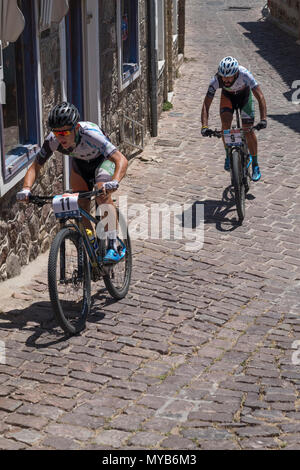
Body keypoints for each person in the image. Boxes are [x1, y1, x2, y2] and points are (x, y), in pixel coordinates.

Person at [16, 102, 128, 263]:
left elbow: (121, 159)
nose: (60, 137)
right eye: (56, 132)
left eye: (65, 132)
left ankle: (113, 244)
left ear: (75, 128)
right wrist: (26, 189)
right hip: (80, 164)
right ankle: (93, 247)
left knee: (101, 193)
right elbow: (35, 166)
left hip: (102, 161)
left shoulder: (90, 134)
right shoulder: (52, 140)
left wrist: (115, 181)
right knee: (79, 203)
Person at [201, 56, 267, 181]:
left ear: (236, 73)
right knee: (225, 125)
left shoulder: (245, 74)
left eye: (229, 77)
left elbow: (260, 97)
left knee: (248, 129)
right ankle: (228, 155)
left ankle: (255, 164)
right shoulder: (216, 80)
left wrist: (263, 119)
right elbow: (206, 104)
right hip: (228, 97)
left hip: (244, 97)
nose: (225, 80)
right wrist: (204, 126)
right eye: (223, 77)